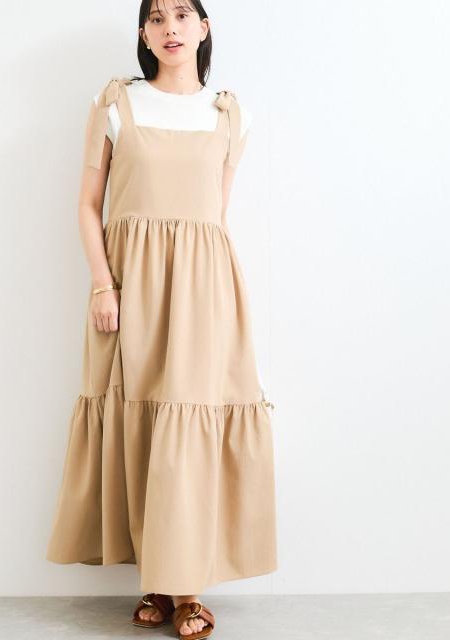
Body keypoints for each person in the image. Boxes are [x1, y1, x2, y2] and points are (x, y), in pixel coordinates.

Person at [46, 1, 277, 638]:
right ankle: (156, 579)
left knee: (189, 424)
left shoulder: (232, 115)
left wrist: (217, 300)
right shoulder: (115, 104)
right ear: (144, 35)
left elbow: (213, 219)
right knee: (141, 422)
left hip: (203, 290)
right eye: (155, 17)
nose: (169, 27)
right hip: (129, 289)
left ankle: (187, 590)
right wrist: (103, 284)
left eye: (181, 13)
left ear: (204, 27)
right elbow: (88, 204)